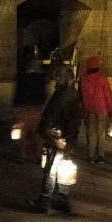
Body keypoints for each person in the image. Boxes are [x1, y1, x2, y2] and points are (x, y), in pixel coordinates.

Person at [28, 64, 83, 214]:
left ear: (63, 78)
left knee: (51, 170)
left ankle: (44, 201)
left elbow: (64, 117)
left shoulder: (65, 95)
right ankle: (61, 199)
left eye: (57, 76)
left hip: (58, 138)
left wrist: (61, 137)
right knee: (60, 168)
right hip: (62, 138)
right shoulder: (67, 93)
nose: (54, 79)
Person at [78, 56, 112, 164]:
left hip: (88, 109)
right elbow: (108, 95)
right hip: (102, 109)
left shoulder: (83, 79)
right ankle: (100, 155)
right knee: (101, 133)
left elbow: (80, 94)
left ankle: (90, 155)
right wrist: (111, 109)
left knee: (90, 132)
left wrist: (81, 109)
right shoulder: (102, 79)